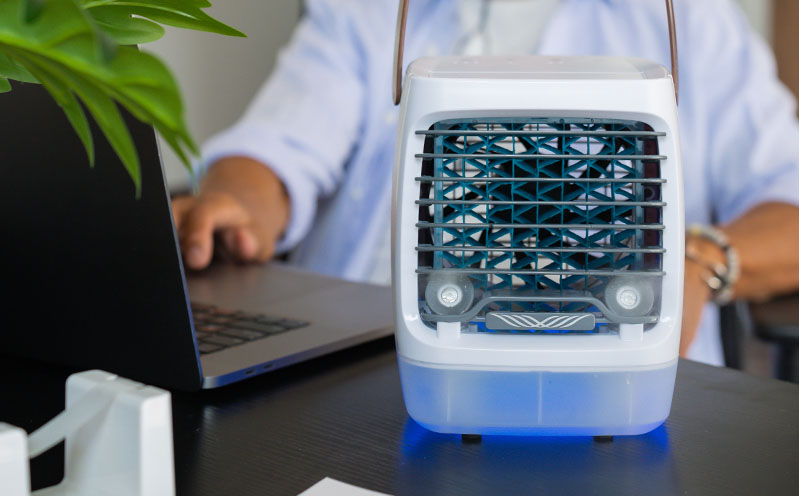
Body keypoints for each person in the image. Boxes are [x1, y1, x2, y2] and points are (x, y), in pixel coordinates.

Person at [172, 0, 799, 366]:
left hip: (611, 362)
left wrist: (696, 263)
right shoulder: (371, 12)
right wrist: (236, 203)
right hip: (356, 356)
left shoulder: (688, 21)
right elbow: (276, 146)